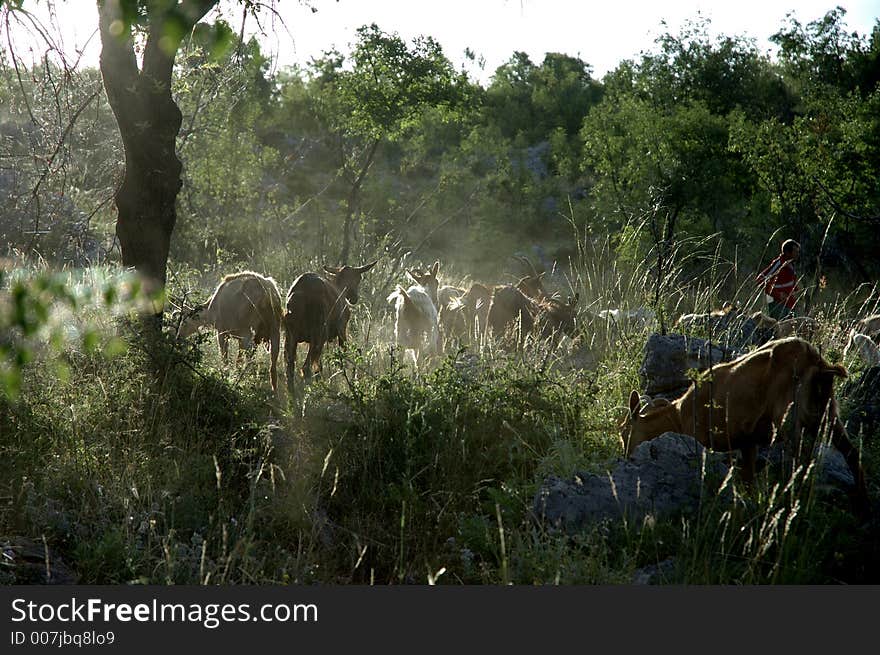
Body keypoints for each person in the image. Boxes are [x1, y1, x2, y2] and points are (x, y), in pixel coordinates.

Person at [756, 239, 801, 320]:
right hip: (777, 305)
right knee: (779, 329)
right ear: (787, 252)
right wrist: (777, 294)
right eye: (795, 251)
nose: (798, 254)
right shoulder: (779, 263)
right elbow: (760, 280)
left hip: (790, 305)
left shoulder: (790, 265)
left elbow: (791, 284)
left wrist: (797, 294)